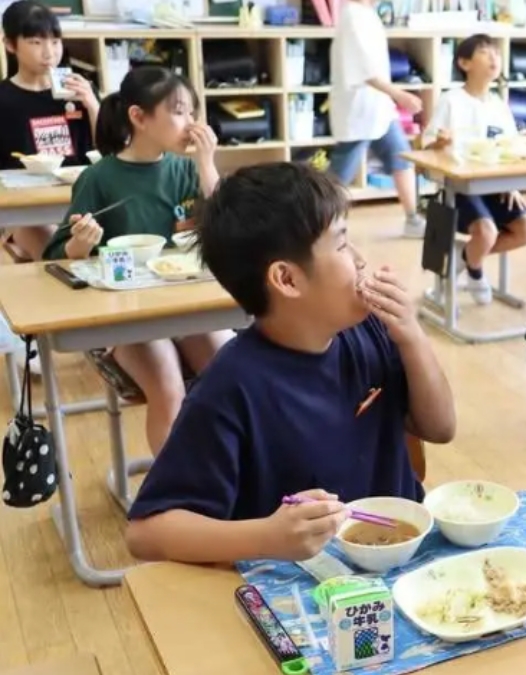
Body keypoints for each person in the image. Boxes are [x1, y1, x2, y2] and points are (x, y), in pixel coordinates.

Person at [124, 162, 456, 564]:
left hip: (402, 559)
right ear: (287, 279)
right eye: (341, 244)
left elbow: (440, 428)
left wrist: (413, 337)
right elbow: (145, 533)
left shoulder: (370, 329)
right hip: (304, 582)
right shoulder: (231, 386)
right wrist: (267, 536)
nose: (360, 259)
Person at [41, 67, 229, 456]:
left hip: (185, 303)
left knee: (230, 372)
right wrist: (80, 243)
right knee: (168, 387)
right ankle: (174, 486)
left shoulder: (187, 168)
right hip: (125, 316)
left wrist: (207, 165)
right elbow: (56, 257)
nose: (191, 124)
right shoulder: (99, 177)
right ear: (139, 117)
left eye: (193, 113)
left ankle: (224, 470)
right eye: (179, 111)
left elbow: (231, 229)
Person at [421, 34, 526, 305]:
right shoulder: (451, 100)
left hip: (495, 186)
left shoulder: (499, 105)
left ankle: (465, 256)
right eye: (485, 52)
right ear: (464, 63)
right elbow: (426, 145)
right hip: (459, 188)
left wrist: (512, 184)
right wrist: (440, 142)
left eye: (496, 52)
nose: (494, 57)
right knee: (486, 232)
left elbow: (511, 149)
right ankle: (475, 270)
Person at [0, 0, 99, 261]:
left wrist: (92, 104)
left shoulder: (79, 90)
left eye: (55, 42)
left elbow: (109, 150)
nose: (49, 53)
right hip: (26, 208)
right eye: (36, 42)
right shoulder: (3, 98)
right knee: (57, 252)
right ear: (10, 44)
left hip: (80, 199)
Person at [327, 0, 425, 238]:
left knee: (402, 157)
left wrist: (393, 96)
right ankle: (315, 223)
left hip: (378, 108)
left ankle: (413, 219)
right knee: (339, 177)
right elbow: (364, 70)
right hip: (358, 110)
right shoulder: (352, 16)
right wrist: (399, 95)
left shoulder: (367, 14)